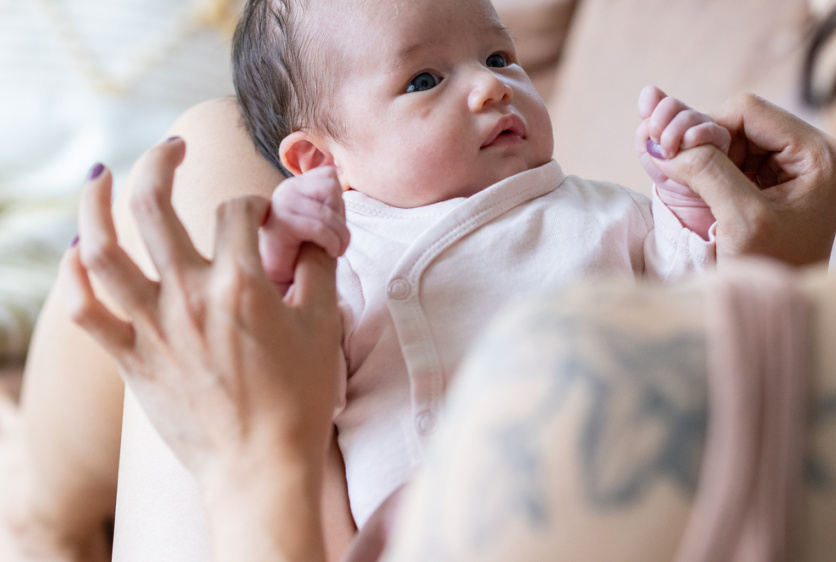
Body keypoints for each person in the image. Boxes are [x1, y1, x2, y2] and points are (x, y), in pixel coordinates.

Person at [55, 0, 836, 560]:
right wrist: (767, 292)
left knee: (204, 164)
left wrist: (255, 457)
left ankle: (23, 512)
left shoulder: (592, 406)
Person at [238, 0, 766, 527]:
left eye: (496, 57)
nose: (493, 87)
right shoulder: (347, 256)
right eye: (424, 80)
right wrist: (283, 269)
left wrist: (691, 197)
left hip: (623, 505)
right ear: (323, 162)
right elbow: (295, 395)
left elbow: (703, 314)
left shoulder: (609, 212)